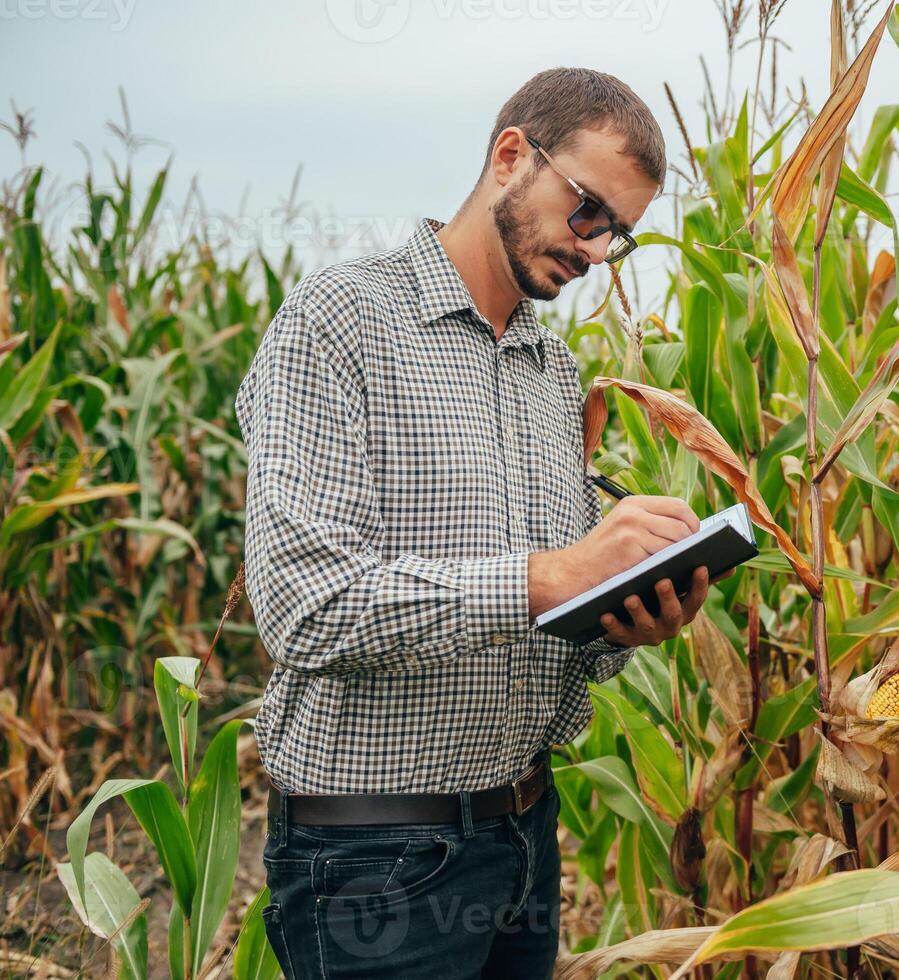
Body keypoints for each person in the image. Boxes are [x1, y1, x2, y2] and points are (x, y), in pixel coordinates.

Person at [235, 67, 706, 978]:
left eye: (620, 234)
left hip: (522, 837)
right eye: (587, 212)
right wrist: (551, 574)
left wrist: (627, 615)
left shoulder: (549, 370)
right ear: (509, 159)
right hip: (375, 864)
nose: (599, 250)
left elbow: (552, 626)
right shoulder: (340, 324)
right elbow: (301, 606)